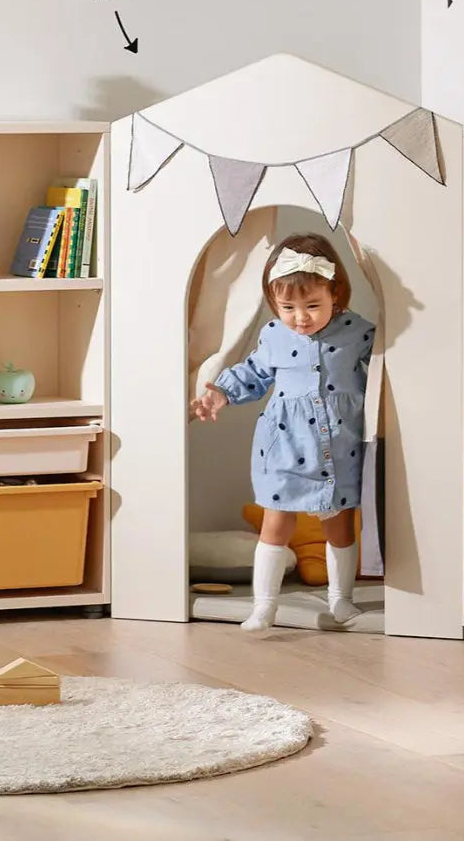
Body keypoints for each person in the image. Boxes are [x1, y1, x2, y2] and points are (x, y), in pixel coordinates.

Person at [190, 232, 374, 632]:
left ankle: (341, 599)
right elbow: (253, 373)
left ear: (335, 294)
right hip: (285, 444)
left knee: (339, 526)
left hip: (337, 445)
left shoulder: (357, 332)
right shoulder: (274, 334)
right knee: (276, 524)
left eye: (312, 306)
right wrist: (220, 393)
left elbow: (386, 367)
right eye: (288, 307)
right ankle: (264, 606)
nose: (300, 317)